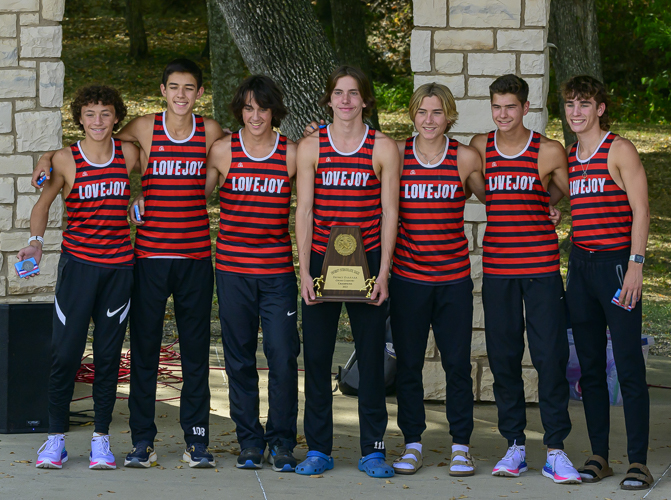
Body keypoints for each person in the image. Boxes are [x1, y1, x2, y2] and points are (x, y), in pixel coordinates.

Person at [33, 58, 226, 468]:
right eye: (173, 86)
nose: (180, 95)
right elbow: (95, 141)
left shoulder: (209, 132)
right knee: (141, 352)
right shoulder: (142, 129)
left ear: (199, 93)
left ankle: (196, 441)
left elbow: (247, 145)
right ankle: (141, 441)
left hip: (193, 256)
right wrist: (48, 154)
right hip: (146, 257)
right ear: (162, 90)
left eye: (189, 88)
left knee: (193, 353)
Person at [20, 85, 139, 469]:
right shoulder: (66, 160)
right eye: (90, 114)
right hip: (78, 267)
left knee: (107, 357)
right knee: (65, 354)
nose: (98, 121)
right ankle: (55, 439)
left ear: (116, 117)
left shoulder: (130, 153)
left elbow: (163, 146)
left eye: (105, 113)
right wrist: (35, 243)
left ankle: (101, 440)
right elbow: (42, 204)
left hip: (119, 269)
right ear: (80, 119)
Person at [469, 74, 581, 484]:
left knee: (549, 358)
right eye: (496, 107)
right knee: (503, 358)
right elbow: (484, 193)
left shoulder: (548, 151)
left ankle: (555, 449)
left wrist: (551, 207)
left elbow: (568, 194)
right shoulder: (481, 147)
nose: (503, 115)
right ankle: (514, 444)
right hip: (498, 269)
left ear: (525, 108)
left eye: (510, 107)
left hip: (540, 270)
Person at [295, 65, 400, 478]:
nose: (345, 100)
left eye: (353, 93)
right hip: (322, 261)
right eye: (338, 93)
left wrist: (385, 271)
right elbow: (303, 210)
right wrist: (303, 271)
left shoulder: (382, 147)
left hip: (369, 261)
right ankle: (318, 448)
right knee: (317, 360)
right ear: (328, 99)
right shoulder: (312, 145)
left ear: (365, 99)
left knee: (372, 361)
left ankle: (373, 449)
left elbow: (391, 212)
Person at [388, 83, 485, 476]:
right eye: (423, 112)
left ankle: (461, 445)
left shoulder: (464, 158)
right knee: (409, 365)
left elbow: (499, 200)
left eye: (437, 113)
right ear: (413, 114)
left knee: (457, 365)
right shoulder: (396, 154)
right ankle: (412, 443)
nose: (429, 120)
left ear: (450, 116)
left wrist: (547, 206)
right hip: (408, 278)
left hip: (452, 279)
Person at [204, 75, 300, 472]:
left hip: (277, 273)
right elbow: (195, 194)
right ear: (238, 111)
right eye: (248, 108)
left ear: (273, 110)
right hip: (232, 272)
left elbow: (315, 203)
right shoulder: (223, 151)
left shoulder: (292, 153)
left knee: (281, 356)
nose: (255, 115)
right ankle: (249, 441)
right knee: (239, 359)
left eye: (262, 108)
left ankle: (281, 442)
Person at [562, 76, 652, 490]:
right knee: (591, 369)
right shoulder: (570, 156)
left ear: (600, 108)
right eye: (570, 105)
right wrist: (556, 214)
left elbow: (641, 211)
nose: (576, 112)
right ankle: (600, 456)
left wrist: (636, 265)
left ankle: (638, 461)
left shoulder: (619, 149)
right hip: (580, 269)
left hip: (617, 267)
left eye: (584, 104)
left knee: (629, 366)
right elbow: (571, 203)